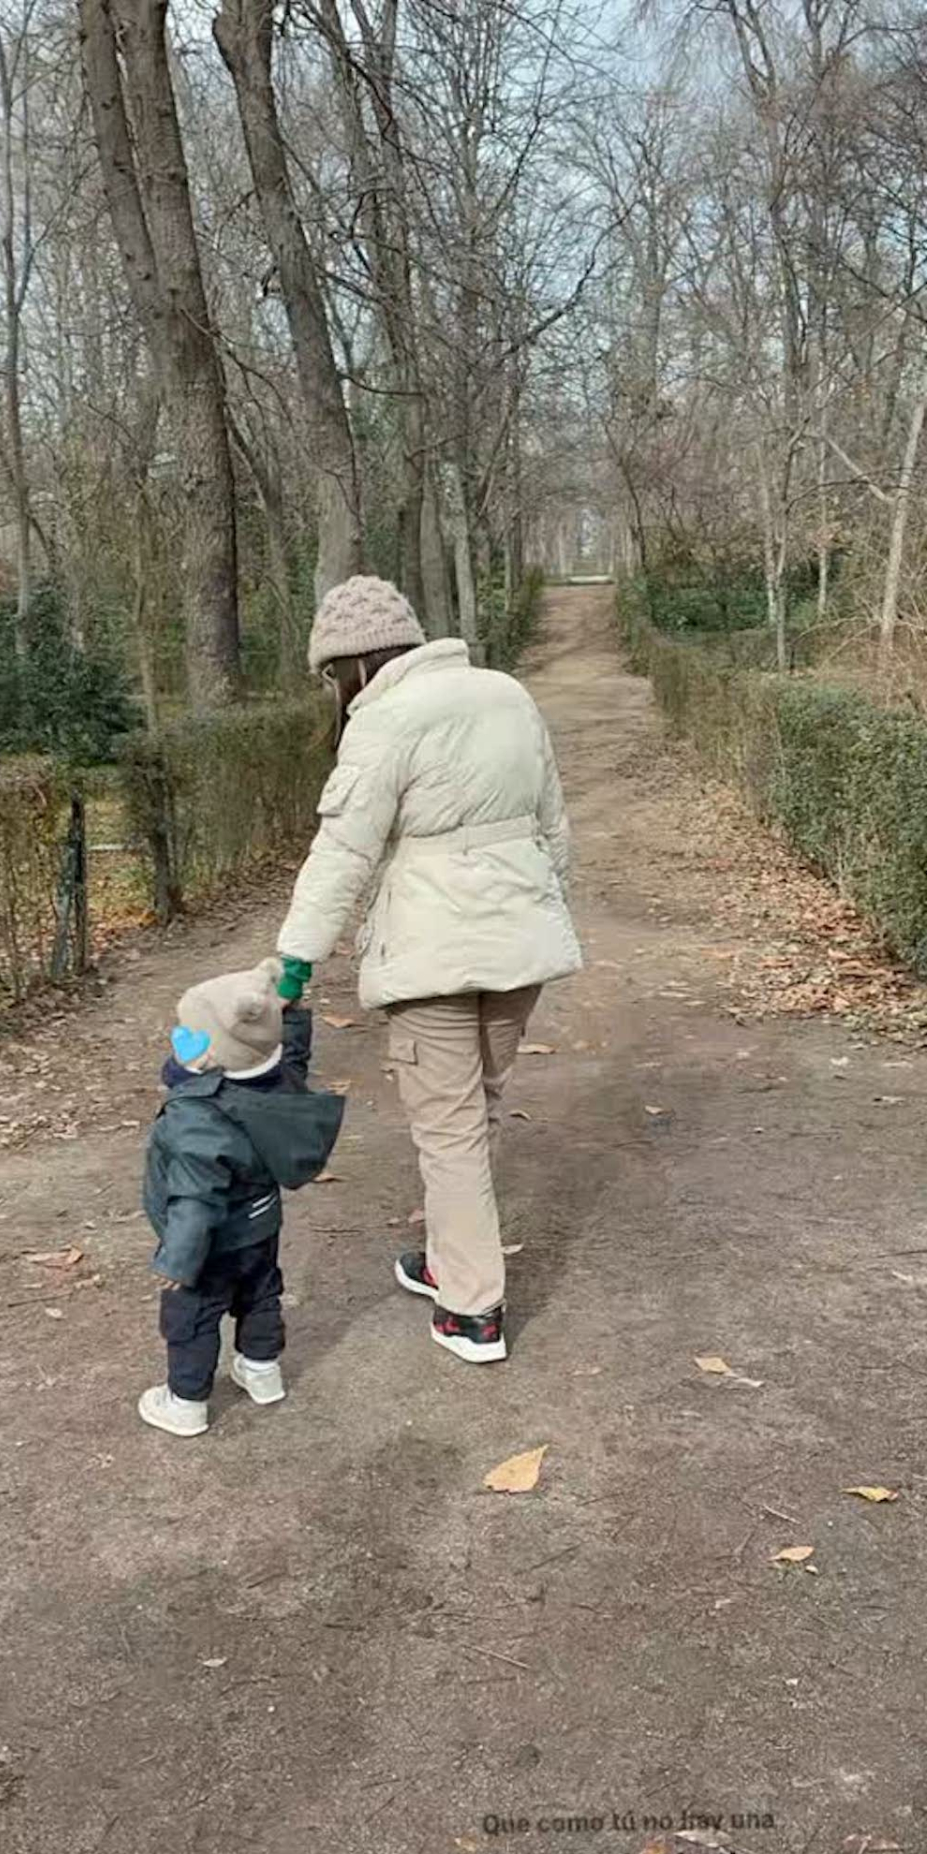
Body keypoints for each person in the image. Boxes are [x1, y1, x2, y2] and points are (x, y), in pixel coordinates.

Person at [276, 574, 581, 1365]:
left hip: (431, 955)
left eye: (332, 677)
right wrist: (543, 911)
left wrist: (294, 961)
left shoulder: (383, 719)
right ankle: (451, 1258)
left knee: (447, 1131)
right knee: (472, 1110)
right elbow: (553, 825)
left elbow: (342, 852)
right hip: (519, 947)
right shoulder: (505, 693)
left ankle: (471, 1309)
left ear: (352, 665)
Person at [140, 957, 344, 1437]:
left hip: (210, 1242)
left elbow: (194, 1199)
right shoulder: (279, 1082)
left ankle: (186, 1400)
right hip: (260, 1223)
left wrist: (177, 1261)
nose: (180, 1036)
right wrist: (288, 1011)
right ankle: (261, 1369)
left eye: (190, 1032)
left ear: (211, 1056)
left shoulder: (198, 1118)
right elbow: (290, 1050)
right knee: (260, 1293)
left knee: (192, 1314)